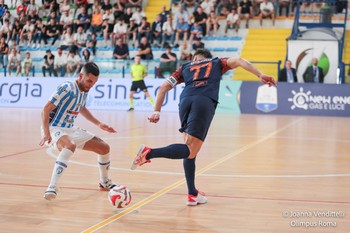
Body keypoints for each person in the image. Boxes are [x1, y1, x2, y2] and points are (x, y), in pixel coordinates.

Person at [130, 49, 276, 206]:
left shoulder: (185, 67)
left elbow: (163, 87)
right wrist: (260, 74)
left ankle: (192, 194)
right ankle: (149, 153)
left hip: (185, 101)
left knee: (189, 150)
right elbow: (240, 60)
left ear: (194, 58)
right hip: (204, 101)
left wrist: (156, 111)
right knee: (191, 149)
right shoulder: (217, 62)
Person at [39, 62, 117, 201]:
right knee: (70, 145)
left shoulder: (84, 91)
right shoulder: (67, 88)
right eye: (89, 81)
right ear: (81, 76)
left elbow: (81, 108)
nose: (91, 85)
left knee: (104, 148)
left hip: (70, 129)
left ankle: (104, 181)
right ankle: (52, 187)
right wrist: (46, 133)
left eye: (94, 82)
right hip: (54, 128)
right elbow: (45, 109)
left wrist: (99, 124)